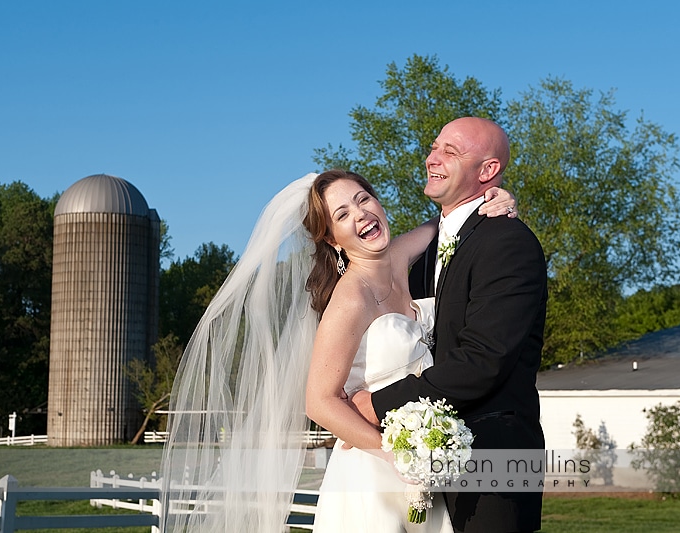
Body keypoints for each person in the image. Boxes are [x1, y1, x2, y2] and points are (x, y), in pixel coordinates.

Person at [160, 168, 516, 533]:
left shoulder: (399, 256)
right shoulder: (351, 297)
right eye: (342, 214)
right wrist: (395, 453)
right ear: (332, 239)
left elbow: (447, 221)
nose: (360, 214)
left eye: (363, 200)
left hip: (421, 472)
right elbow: (318, 402)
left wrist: (496, 201)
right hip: (371, 473)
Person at [352, 117, 548, 533]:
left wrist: (378, 403)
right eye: (434, 146)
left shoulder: (507, 243)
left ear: (488, 172)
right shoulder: (421, 252)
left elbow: (483, 360)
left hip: (493, 462)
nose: (431, 158)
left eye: (450, 152)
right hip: (418, 462)